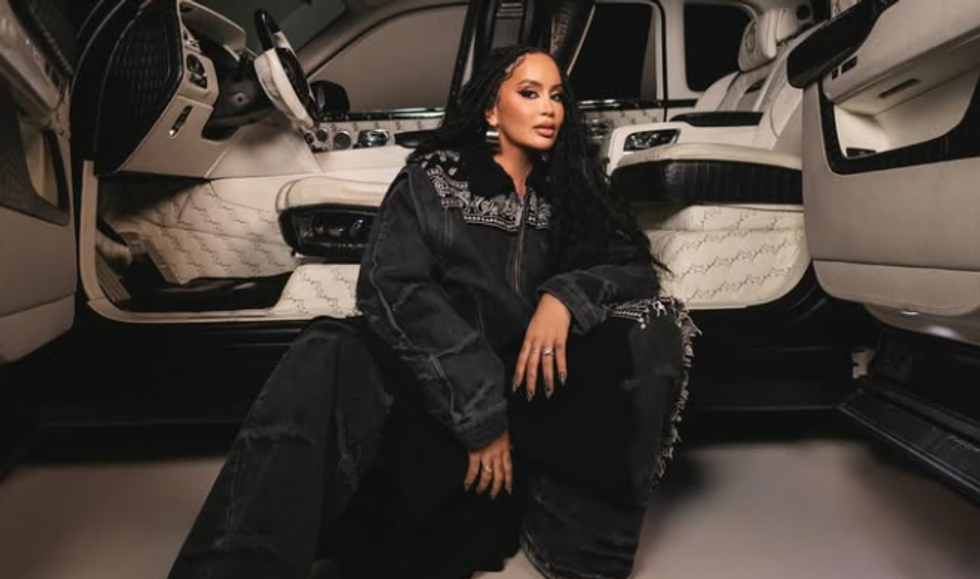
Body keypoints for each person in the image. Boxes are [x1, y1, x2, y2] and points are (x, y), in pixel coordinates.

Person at [167, 46, 695, 579]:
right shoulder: (433, 181)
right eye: (529, 93)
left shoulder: (570, 188)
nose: (548, 108)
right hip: (439, 391)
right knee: (327, 345)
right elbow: (390, 286)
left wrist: (564, 298)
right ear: (491, 110)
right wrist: (478, 409)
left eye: (556, 96)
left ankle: (571, 535)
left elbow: (632, 265)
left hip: (529, 404)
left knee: (653, 318)